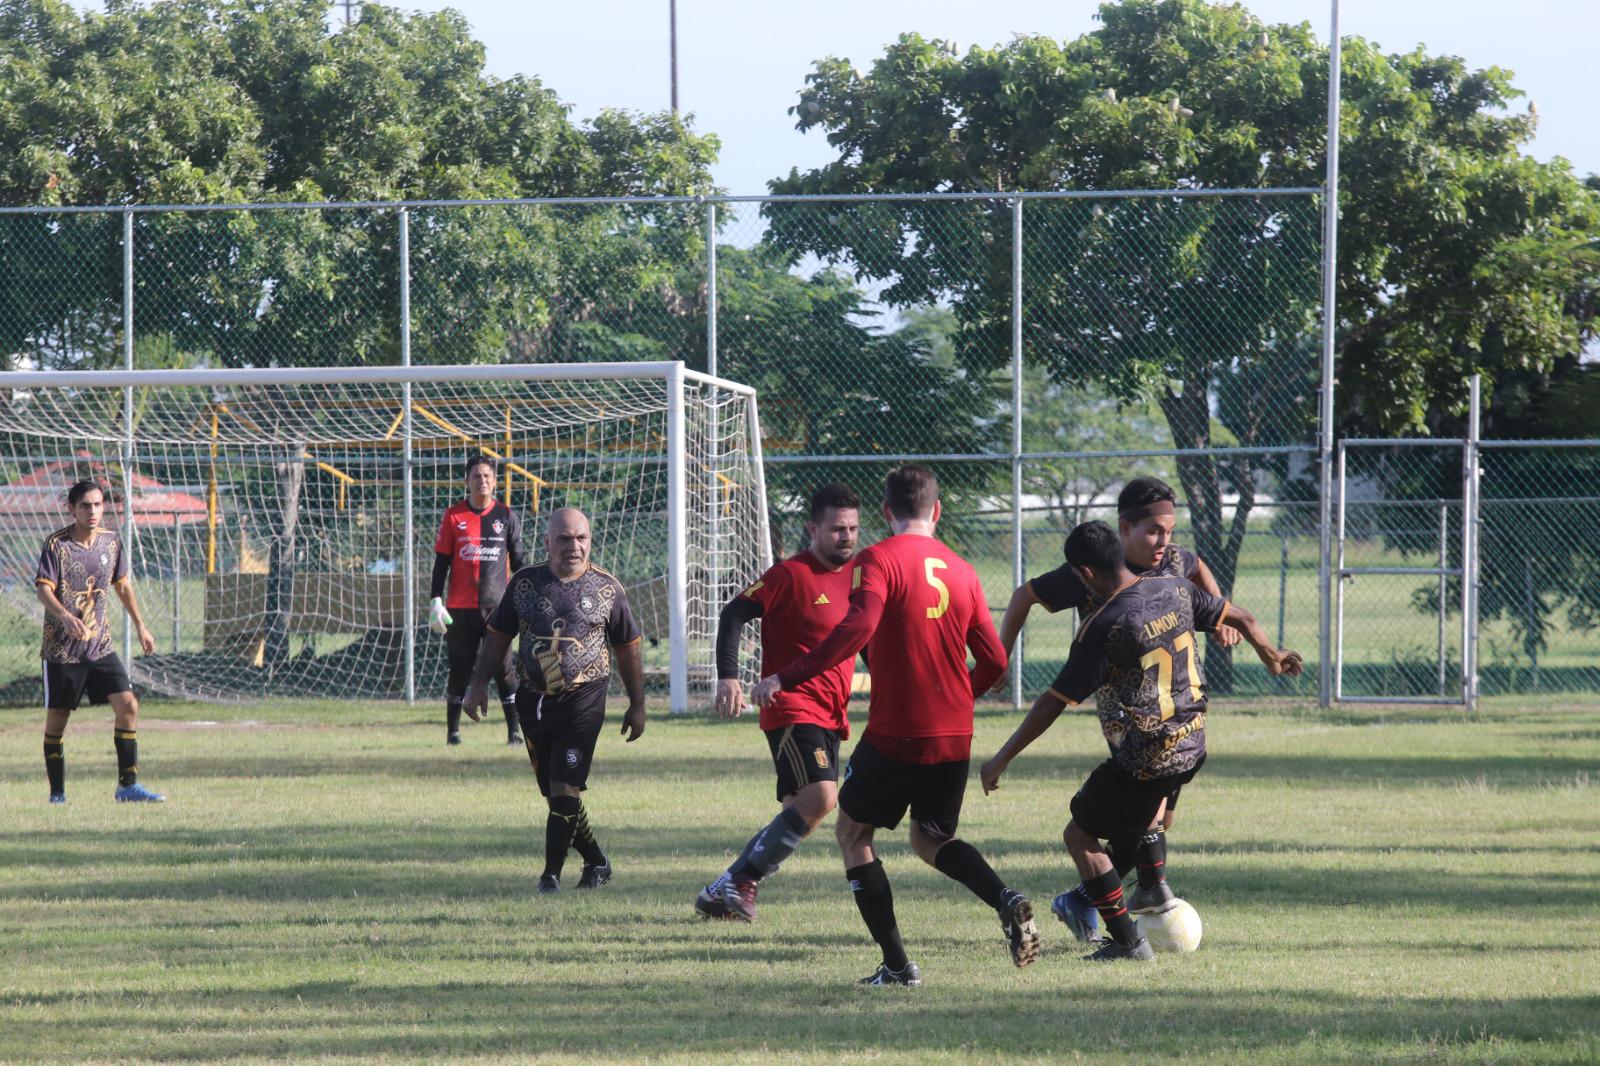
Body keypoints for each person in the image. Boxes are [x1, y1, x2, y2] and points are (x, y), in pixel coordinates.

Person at [752, 464, 1036, 987]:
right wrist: (959, 696)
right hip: (954, 733)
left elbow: (858, 625)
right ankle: (1006, 897)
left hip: (897, 731)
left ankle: (899, 966)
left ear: (885, 512)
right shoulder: (962, 569)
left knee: (854, 832)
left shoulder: (876, 559)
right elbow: (995, 662)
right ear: (938, 510)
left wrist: (787, 675)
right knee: (932, 840)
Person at [979, 520, 1303, 961]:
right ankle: (1150, 888)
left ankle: (1128, 942)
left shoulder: (1105, 625)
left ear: (1085, 573)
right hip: (1193, 742)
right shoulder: (1176, 590)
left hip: (1147, 756)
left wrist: (1000, 758)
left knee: (1080, 836)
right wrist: (1272, 654)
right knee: (1146, 821)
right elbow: (1241, 616)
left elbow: (1053, 702)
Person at [992, 476, 1237, 941]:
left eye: (1170, 529)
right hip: (1126, 706)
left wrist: (1228, 621)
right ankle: (1144, 891)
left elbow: (1201, 568)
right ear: (1125, 529)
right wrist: (1000, 657)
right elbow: (1025, 595)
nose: (1165, 541)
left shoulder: (1171, 560)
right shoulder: (1095, 566)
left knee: (1158, 814)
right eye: (1154, 530)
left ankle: (1098, 899)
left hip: (1172, 711)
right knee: (1145, 804)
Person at [695, 484, 862, 922]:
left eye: (852, 529)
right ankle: (743, 881)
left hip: (832, 712)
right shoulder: (789, 575)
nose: (846, 537)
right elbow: (734, 612)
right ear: (813, 528)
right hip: (790, 706)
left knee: (801, 810)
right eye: (836, 529)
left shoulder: (860, 577)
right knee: (822, 798)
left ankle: (722, 888)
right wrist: (729, 677)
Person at [464, 507, 646, 893]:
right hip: (533, 698)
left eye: (581, 538)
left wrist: (637, 703)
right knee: (556, 793)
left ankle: (550, 876)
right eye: (564, 539)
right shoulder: (525, 584)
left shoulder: (607, 589)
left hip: (585, 698)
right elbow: (497, 635)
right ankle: (596, 861)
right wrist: (477, 684)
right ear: (547, 543)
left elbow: (628, 648)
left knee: (565, 786)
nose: (574, 546)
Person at [36, 479, 162, 803]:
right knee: (58, 721)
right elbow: (43, 589)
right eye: (85, 505)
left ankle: (128, 786)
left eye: (97, 504)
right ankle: (57, 793)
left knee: (129, 705)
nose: (93, 511)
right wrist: (64, 616)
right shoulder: (57, 545)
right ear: (71, 509)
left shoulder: (110, 543)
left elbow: (122, 585)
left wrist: (141, 625)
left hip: (100, 645)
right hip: (63, 650)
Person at [430, 454, 526, 746]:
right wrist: (435, 599)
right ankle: (453, 734)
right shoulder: (453, 516)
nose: (482, 481)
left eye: (487, 476)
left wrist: (525, 598)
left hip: (498, 610)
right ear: (467, 481)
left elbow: (520, 562)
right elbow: (441, 563)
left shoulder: (506, 516)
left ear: (495, 481)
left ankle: (514, 733)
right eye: (476, 476)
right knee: (459, 670)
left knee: (504, 670)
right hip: (460, 609)